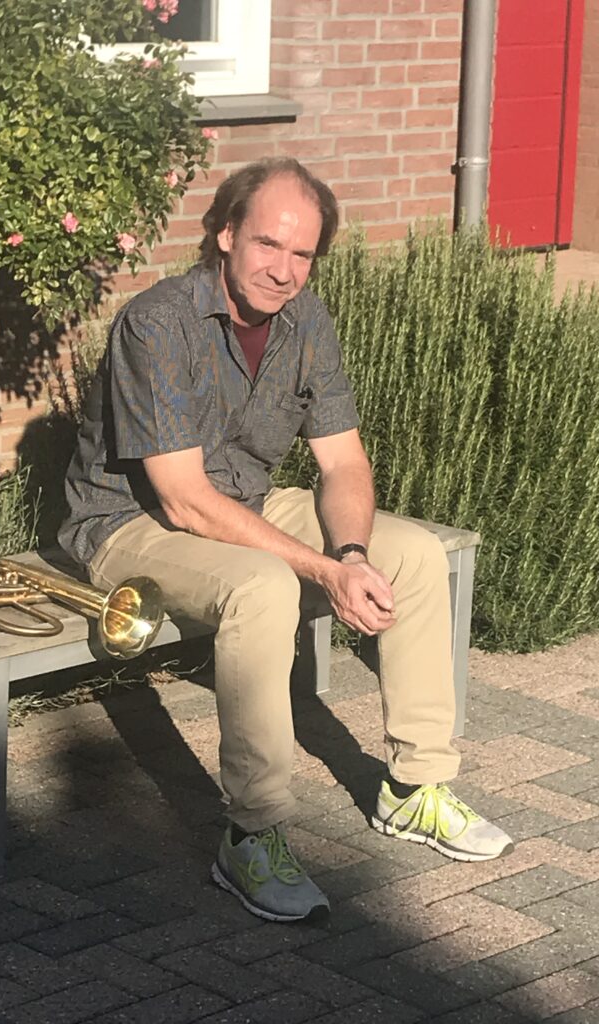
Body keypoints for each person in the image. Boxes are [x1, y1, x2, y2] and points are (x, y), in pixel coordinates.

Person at [58, 158, 514, 924]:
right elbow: (182, 498)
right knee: (264, 587)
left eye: (302, 254)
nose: (284, 270)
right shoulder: (158, 322)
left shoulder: (308, 322)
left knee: (416, 553)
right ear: (226, 234)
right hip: (128, 524)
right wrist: (317, 570)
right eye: (269, 244)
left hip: (246, 501)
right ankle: (252, 834)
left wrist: (353, 558)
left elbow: (344, 462)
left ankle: (413, 788)